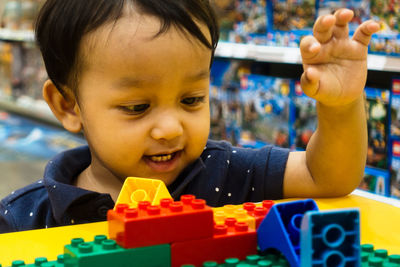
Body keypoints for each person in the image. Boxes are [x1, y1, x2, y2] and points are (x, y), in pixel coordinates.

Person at [0, 0, 379, 233]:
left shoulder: (224, 173)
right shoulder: (29, 217)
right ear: (68, 105)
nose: (170, 129)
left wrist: (341, 105)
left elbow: (325, 176)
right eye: (137, 107)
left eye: (192, 99)